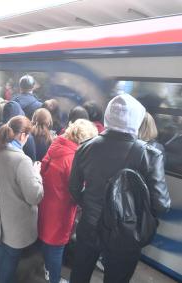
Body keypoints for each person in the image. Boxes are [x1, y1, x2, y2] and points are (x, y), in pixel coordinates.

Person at [69, 94, 171, 283]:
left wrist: (91, 205)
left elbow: (74, 188)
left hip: (89, 226)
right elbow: (161, 205)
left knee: (79, 275)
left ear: (108, 115)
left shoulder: (85, 147)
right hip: (125, 233)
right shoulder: (150, 155)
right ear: (136, 118)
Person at [0, 115, 43, 283]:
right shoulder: (21, 160)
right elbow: (35, 196)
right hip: (17, 219)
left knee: (2, 249)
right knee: (12, 255)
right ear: (23, 135)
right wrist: (37, 175)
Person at [39, 119, 98, 283]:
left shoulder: (56, 146)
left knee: (46, 241)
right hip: (60, 210)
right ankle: (55, 279)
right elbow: (78, 188)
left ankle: (48, 269)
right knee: (57, 248)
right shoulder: (73, 159)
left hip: (45, 203)